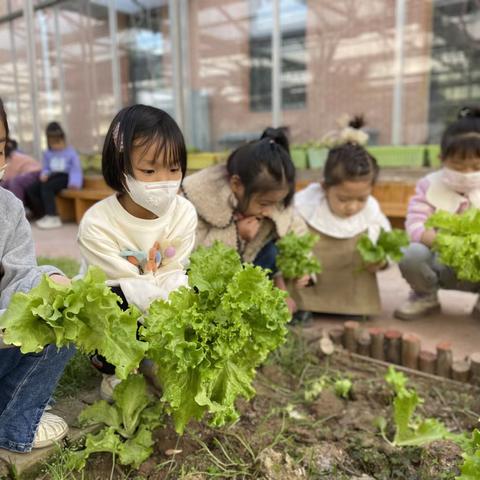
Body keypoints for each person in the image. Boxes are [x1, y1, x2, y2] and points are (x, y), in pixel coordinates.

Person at [77, 104, 197, 400]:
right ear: (121, 168)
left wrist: (180, 328)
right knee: (111, 299)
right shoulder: (98, 222)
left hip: (157, 303)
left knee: (192, 283)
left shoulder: (184, 213)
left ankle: (155, 358)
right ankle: (117, 371)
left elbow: (173, 271)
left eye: (174, 168)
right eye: (149, 170)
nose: (164, 181)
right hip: (122, 302)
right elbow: (125, 286)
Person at [0, 98, 74, 452]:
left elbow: (19, 277)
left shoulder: (8, 208)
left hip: (3, 338)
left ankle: (14, 419)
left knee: (64, 306)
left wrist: (48, 284)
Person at [181, 127, 309, 314]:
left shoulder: (271, 199)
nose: (268, 211)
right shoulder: (200, 197)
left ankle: (261, 305)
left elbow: (295, 229)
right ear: (236, 185)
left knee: (271, 250)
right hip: (207, 280)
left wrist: (304, 266)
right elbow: (191, 254)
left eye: (275, 203)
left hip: (249, 267)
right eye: (264, 203)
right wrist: (236, 233)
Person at [292, 119, 390, 316]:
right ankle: (306, 306)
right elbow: (290, 237)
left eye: (361, 199)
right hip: (312, 282)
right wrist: (299, 265)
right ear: (325, 187)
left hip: (352, 287)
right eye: (343, 199)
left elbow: (385, 243)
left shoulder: (371, 211)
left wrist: (381, 260)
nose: (353, 207)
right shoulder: (306, 205)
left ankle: (356, 307)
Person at [395, 106, 480, 320]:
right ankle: (425, 295)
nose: (467, 174)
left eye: (476, 166)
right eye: (459, 166)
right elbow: (415, 224)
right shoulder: (429, 185)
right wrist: (443, 242)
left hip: (476, 268)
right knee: (410, 253)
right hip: (439, 263)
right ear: (441, 158)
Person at [26, 122, 82, 229]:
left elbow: (75, 169)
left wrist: (74, 183)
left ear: (63, 140)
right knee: (32, 189)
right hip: (52, 177)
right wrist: (44, 174)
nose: (56, 146)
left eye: (58, 143)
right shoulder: (48, 153)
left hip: (65, 177)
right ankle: (43, 214)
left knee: (47, 186)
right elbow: (46, 168)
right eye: (53, 144)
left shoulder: (70, 152)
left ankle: (53, 216)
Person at [0, 139, 41, 205]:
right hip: (28, 173)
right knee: (7, 184)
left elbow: (8, 176)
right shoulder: (11, 156)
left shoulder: (11, 158)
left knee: (15, 182)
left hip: (35, 172)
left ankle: (18, 209)